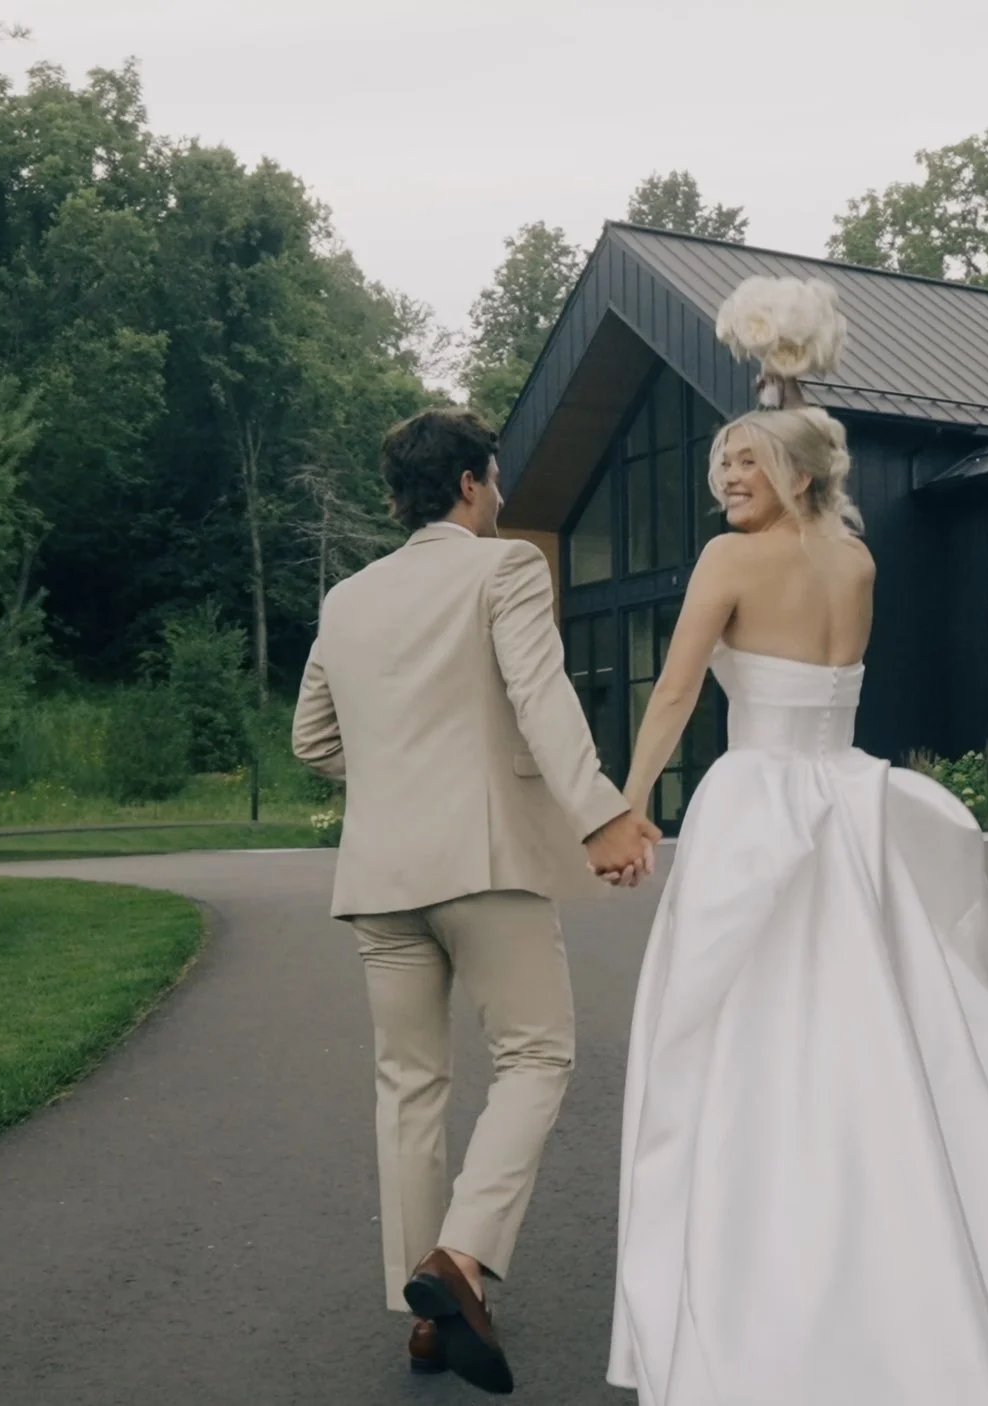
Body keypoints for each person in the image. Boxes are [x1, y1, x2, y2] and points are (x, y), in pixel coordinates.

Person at [604, 277, 988, 1404]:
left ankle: (767, 1270)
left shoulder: (728, 563)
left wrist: (631, 802)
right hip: (849, 800)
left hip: (759, 799)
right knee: (878, 1024)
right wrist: (776, 400)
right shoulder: (858, 562)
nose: (727, 480)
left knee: (737, 1035)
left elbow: (674, 691)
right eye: (722, 465)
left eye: (745, 464)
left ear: (796, 472)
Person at [292, 407, 662, 1395]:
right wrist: (601, 814)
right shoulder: (505, 568)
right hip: (483, 861)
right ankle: (459, 1258)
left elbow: (312, 740)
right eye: (493, 479)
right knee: (536, 1056)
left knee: (409, 1088)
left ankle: (426, 1318)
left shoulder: (347, 598)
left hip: (380, 876)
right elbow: (541, 696)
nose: (498, 494)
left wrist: (395, 771)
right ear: (468, 483)